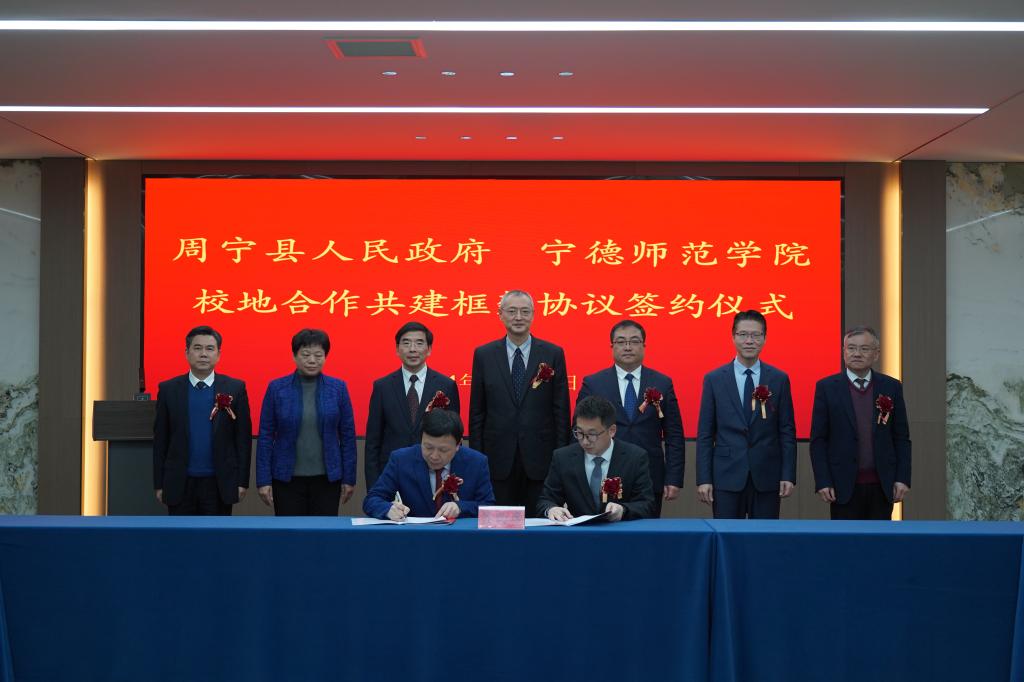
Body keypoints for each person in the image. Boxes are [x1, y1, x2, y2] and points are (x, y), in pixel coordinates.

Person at [468, 289, 571, 513]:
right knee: (498, 524)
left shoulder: (553, 353)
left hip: (541, 459)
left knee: (540, 522)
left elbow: (561, 410)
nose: (518, 317)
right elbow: (477, 412)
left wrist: (562, 458)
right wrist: (476, 459)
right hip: (497, 459)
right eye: (512, 311)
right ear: (500, 314)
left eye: (525, 311)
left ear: (533, 315)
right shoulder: (484, 354)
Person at [577, 319, 684, 516]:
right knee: (603, 528)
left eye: (634, 341)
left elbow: (674, 435)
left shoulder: (662, 383)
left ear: (644, 345)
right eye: (621, 341)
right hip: (603, 474)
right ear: (612, 346)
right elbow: (578, 432)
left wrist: (674, 478)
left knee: (646, 531)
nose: (627, 347)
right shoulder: (593, 383)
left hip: (649, 475)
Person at [696, 310, 796, 519]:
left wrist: (788, 474)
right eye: (743, 334)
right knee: (727, 534)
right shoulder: (714, 379)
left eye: (756, 335)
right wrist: (704, 479)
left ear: (765, 338)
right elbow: (705, 434)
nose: (749, 341)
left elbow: (786, 431)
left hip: (767, 475)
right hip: (726, 476)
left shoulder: (778, 379)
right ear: (733, 337)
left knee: (765, 535)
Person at [810, 326, 912, 519]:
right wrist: (823, 480)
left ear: (876, 354)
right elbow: (819, 440)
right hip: (842, 484)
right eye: (851, 348)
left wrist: (902, 478)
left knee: (880, 537)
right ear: (843, 352)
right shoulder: (827, 387)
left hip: (883, 484)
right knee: (845, 538)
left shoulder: (891, 387)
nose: (857, 354)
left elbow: (901, 438)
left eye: (864, 349)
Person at [256, 329, 357, 516]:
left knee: (324, 531)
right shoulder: (277, 388)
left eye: (318, 355)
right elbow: (265, 436)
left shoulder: (338, 388)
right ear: (294, 356)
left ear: (325, 357)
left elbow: (348, 436)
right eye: (305, 354)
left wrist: (349, 478)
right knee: (290, 532)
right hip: (286, 480)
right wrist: (263, 480)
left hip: (328, 480)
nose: (312, 360)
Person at [153, 325, 252, 515]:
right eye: (197, 348)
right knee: (181, 534)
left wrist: (242, 481)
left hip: (219, 483)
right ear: (187, 353)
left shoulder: (235, 388)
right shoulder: (168, 389)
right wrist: (159, 483)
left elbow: (243, 440)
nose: (203, 354)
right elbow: (160, 441)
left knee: (217, 534)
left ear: (218, 354)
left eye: (209, 349)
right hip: (179, 482)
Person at [364, 321, 460, 490]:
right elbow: (373, 441)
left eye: (419, 343)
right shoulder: (382, 387)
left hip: (433, 473)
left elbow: (454, 436)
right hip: (392, 474)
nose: (413, 349)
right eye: (406, 343)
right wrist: (374, 486)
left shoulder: (446, 385)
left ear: (429, 349)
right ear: (397, 349)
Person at [537, 395, 655, 522]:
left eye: (592, 434)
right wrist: (551, 509)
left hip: (619, 531)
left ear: (612, 431)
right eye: (579, 433)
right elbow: (545, 500)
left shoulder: (635, 457)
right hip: (578, 532)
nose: (585, 441)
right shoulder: (563, 457)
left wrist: (623, 510)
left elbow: (647, 504)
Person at [363, 409, 495, 520]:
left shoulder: (476, 463)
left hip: (459, 538)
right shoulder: (401, 460)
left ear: (458, 444)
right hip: (414, 537)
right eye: (428, 447)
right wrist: (387, 509)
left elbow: (488, 507)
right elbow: (371, 500)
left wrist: (461, 507)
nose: (434, 456)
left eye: (443, 450)